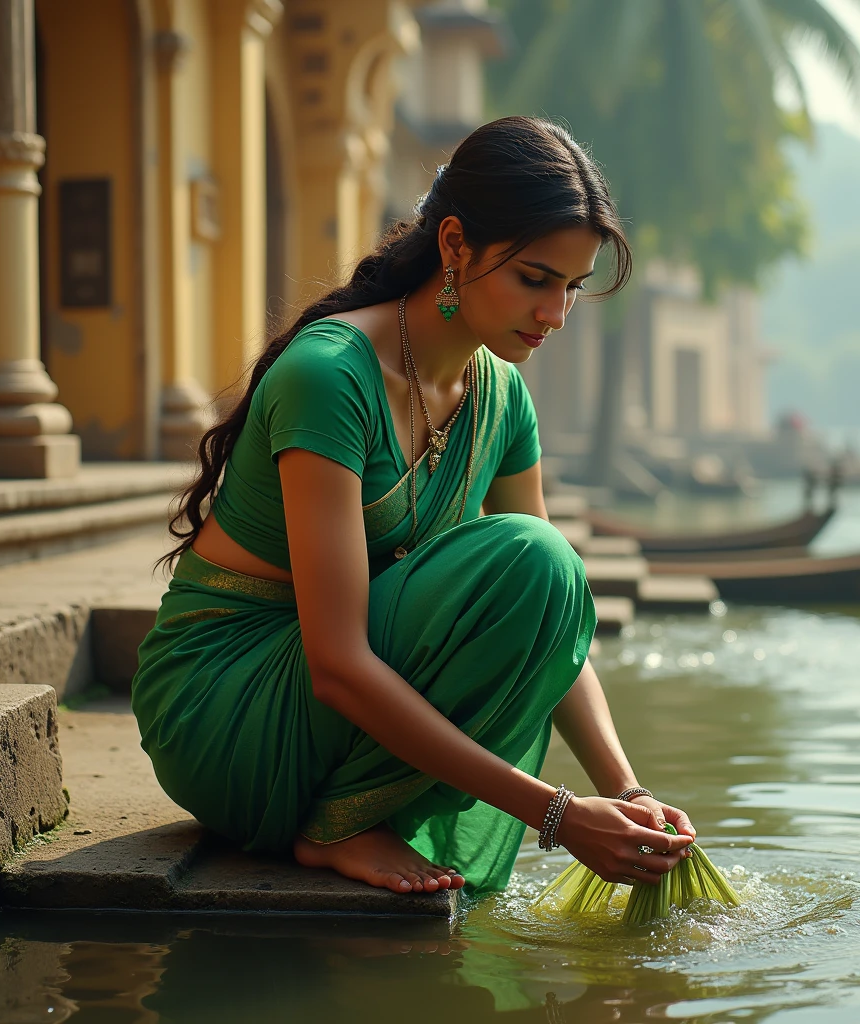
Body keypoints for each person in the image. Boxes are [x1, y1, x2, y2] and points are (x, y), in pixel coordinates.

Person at [132, 116, 695, 897]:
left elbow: (552, 617)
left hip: (336, 695)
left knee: (547, 573)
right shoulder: (332, 377)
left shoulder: (501, 396)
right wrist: (559, 815)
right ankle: (335, 824)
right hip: (227, 708)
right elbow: (336, 664)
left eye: (570, 287)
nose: (557, 314)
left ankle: (349, 807)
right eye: (535, 278)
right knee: (535, 555)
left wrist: (628, 795)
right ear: (455, 244)